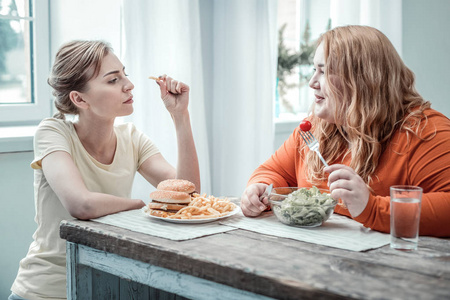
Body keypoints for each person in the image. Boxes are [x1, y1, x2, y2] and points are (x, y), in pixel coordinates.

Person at [9, 40, 200, 300]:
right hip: (45, 291)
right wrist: (140, 205)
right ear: (79, 98)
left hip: (104, 288)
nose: (129, 84)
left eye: (125, 74)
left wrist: (180, 115)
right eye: (112, 80)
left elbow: (188, 194)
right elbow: (81, 204)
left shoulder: (132, 138)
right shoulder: (52, 133)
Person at [240, 25, 450, 237]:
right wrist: (261, 188)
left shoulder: (426, 131)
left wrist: (372, 208)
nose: (312, 82)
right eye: (314, 70)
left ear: (364, 80)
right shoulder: (313, 128)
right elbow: (275, 172)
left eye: (324, 71)